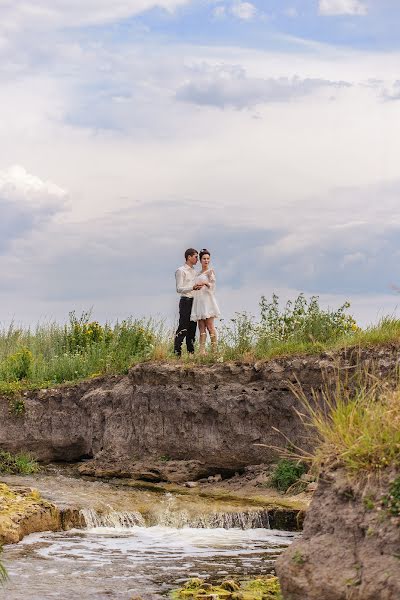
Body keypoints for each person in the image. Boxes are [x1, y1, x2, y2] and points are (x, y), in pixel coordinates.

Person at [174, 248, 205, 357]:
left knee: (192, 328)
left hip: (195, 301)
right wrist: (192, 287)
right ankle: (177, 353)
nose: (198, 259)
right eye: (196, 257)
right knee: (183, 326)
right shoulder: (181, 271)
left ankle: (191, 354)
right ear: (189, 257)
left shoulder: (195, 272)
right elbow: (179, 288)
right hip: (186, 301)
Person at [190, 248, 221, 355]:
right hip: (199, 300)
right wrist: (196, 286)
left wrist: (205, 284)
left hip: (208, 301)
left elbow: (213, 287)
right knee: (201, 327)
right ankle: (202, 351)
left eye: (208, 259)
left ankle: (214, 351)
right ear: (200, 260)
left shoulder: (210, 272)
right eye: (204, 259)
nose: (206, 261)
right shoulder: (198, 273)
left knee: (210, 326)